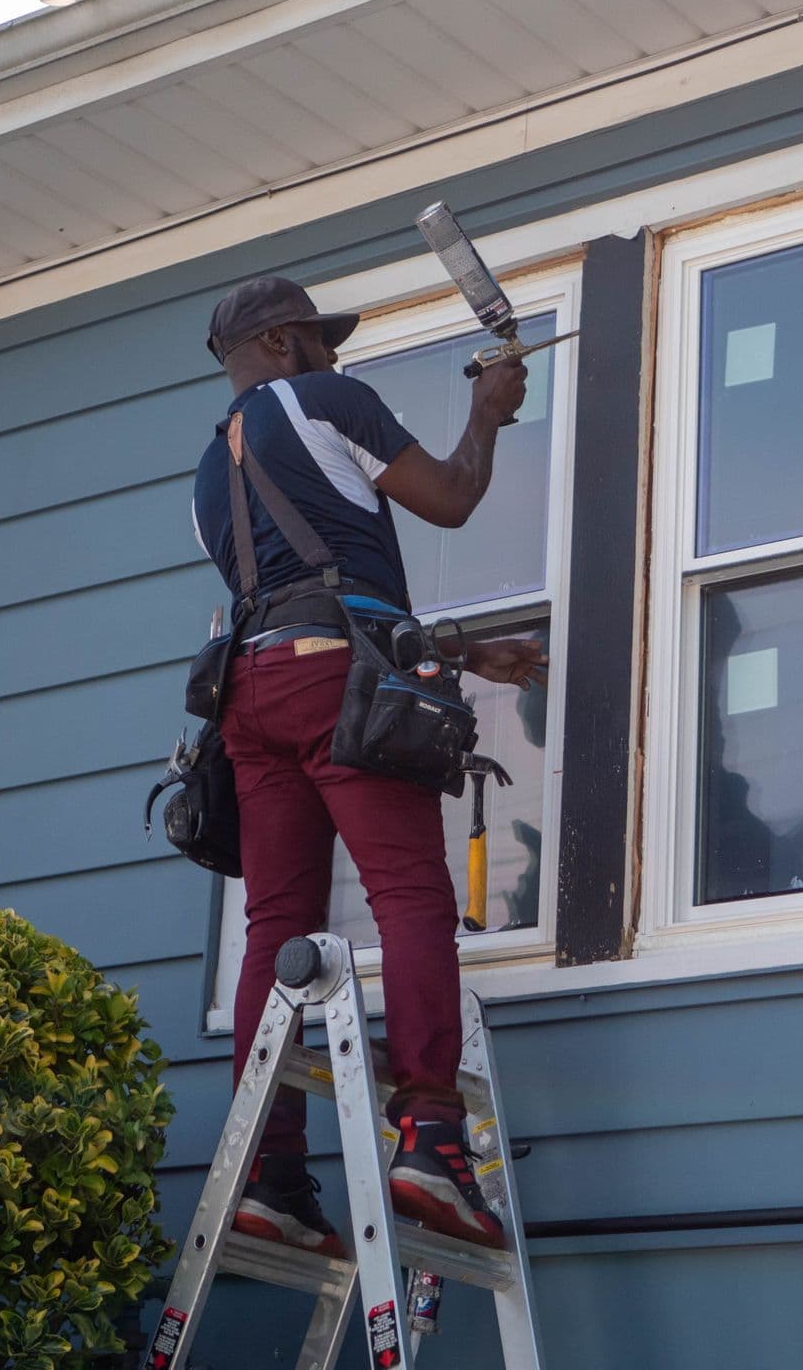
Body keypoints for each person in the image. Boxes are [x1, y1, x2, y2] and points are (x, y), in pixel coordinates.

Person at [191, 275, 547, 1254]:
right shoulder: (326, 401)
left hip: (249, 699)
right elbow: (451, 498)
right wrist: (487, 412)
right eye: (320, 340)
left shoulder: (204, 474)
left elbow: (314, 593)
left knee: (276, 925)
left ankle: (269, 1181)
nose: (335, 357)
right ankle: (431, 1139)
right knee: (411, 899)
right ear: (280, 343)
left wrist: (468, 653)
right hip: (328, 680)